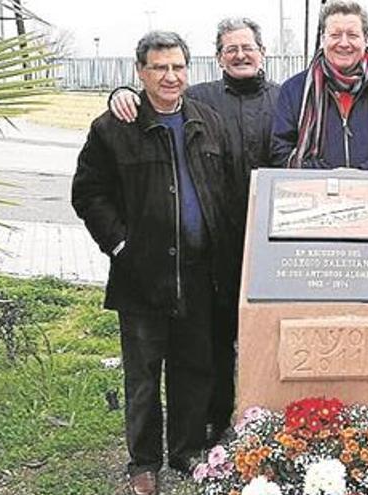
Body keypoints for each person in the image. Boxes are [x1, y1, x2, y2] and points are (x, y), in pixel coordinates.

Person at [71, 31, 240, 494]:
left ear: (189, 69)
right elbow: (88, 193)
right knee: (144, 374)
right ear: (141, 73)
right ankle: (143, 462)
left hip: (200, 272)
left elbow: (222, 184)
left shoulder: (206, 120)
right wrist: (121, 246)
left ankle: (185, 450)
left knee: (193, 367)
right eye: (160, 68)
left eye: (178, 67)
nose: (170, 76)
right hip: (142, 275)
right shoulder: (113, 127)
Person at [108, 17, 279, 446]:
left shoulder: (285, 100)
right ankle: (213, 422)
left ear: (263, 52)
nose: (240, 55)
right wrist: (121, 95)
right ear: (218, 57)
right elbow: (150, 103)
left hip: (267, 245)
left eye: (248, 47)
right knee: (212, 344)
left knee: (264, 340)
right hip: (209, 250)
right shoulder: (199, 98)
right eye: (230, 48)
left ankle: (267, 420)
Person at [270, 0, 368, 170]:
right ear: (323, 38)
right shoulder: (294, 90)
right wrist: (330, 179)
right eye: (335, 35)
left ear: (365, 39)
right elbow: (281, 151)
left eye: (352, 35)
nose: (344, 43)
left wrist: (364, 175)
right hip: (313, 192)